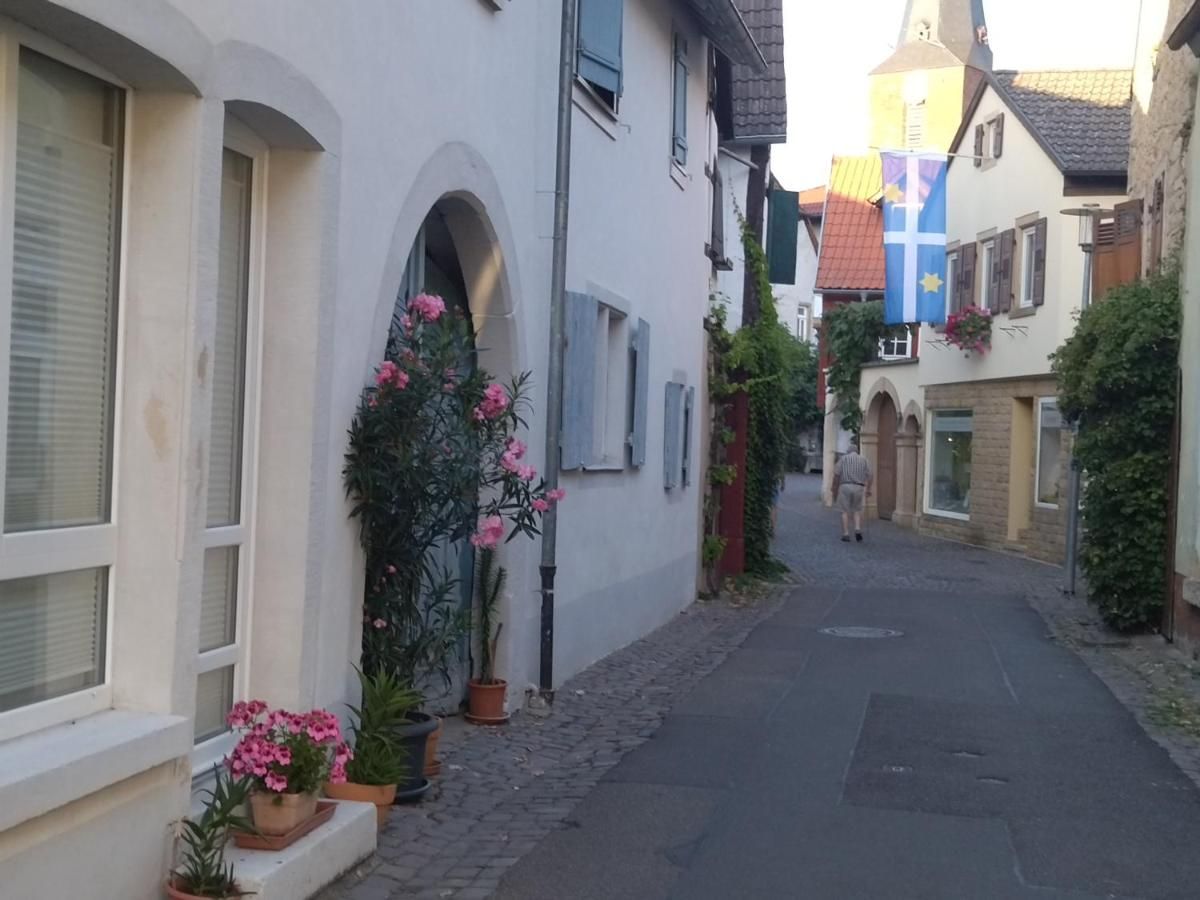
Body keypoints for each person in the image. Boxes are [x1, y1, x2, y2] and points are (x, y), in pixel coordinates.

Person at [832, 441, 872, 543]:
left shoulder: (843, 459)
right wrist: (868, 489)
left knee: (844, 511)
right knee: (856, 510)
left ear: (848, 451)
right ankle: (857, 529)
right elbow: (870, 475)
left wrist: (834, 487)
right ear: (857, 451)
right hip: (859, 486)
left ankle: (846, 534)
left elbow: (836, 474)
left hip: (845, 486)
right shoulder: (864, 460)